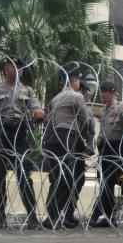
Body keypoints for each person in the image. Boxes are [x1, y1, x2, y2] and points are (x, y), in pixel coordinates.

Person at [0, 55, 44, 230]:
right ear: (5, 68)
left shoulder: (28, 91)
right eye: (11, 66)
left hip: (19, 132)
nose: (15, 69)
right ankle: (0, 214)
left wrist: (38, 114)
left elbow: (35, 108)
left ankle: (32, 215)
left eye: (19, 67)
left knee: (24, 174)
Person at [42, 69, 93, 229]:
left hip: (54, 139)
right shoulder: (76, 96)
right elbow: (84, 119)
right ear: (74, 81)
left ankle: (57, 214)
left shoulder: (55, 98)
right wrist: (87, 141)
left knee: (59, 177)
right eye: (79, 82)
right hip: (67, 137)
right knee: (65, 178)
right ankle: (53, 215)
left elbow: (49, 122)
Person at [89, 81, 123, 228]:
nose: (103, 94)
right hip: (105, 150)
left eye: (106, 91)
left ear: (113, 92)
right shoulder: (103, 111)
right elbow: (102, 131)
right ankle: (109, 217)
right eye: (101, 91)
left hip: (118, 148)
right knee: (105, 183)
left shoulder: (121, 107)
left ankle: (95, 215)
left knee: (111, 183)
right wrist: (99, 143)